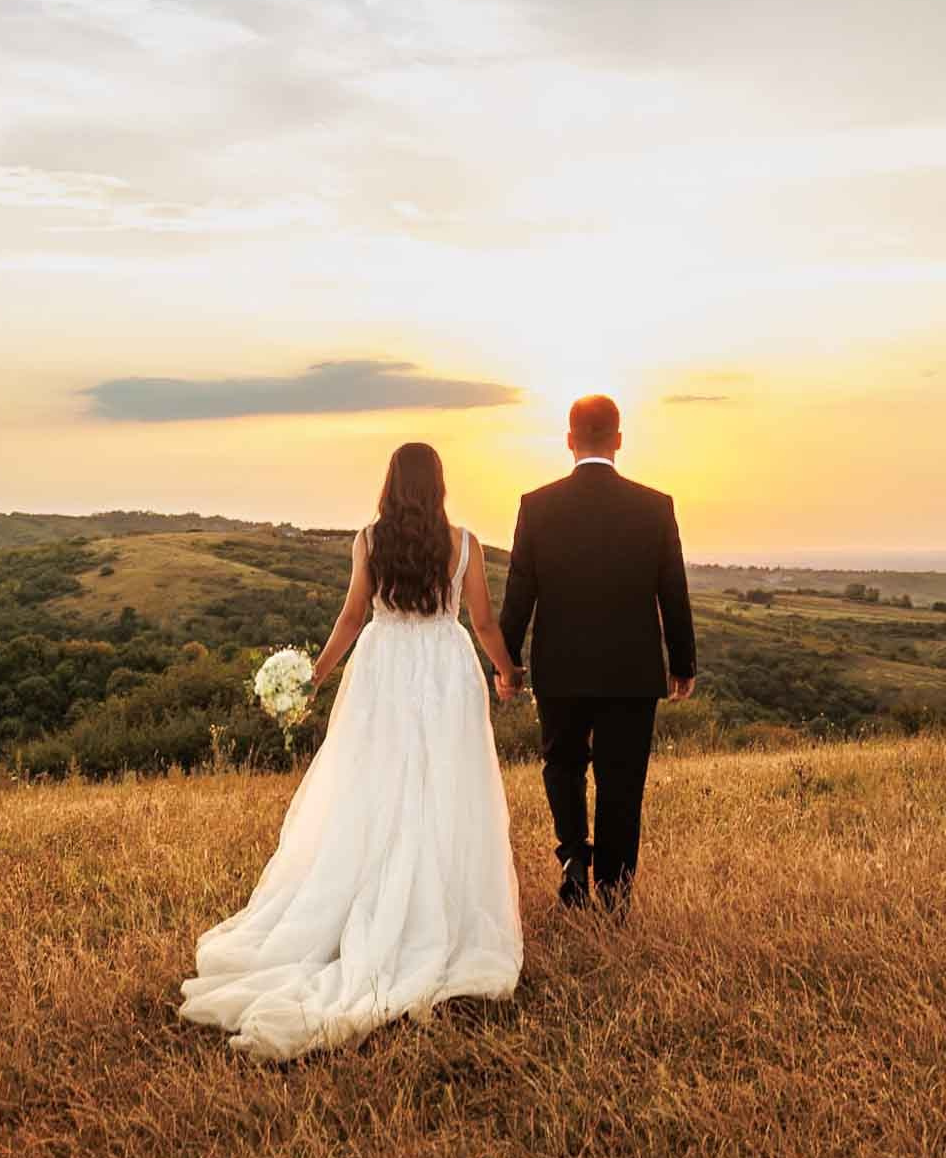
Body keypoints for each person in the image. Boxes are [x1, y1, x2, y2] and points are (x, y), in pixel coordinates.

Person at [178, 442, 522, 1059]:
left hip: (383, 669)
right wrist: (508, 672)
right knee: (444, 786)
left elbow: (351, 616)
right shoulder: (463, 543)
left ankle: (371, 899)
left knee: (374, 783)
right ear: (439, 483)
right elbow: (484, 623)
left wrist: (316, 676)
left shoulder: (368, 540)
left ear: (391, 483)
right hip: (444, 672)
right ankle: (433, 911)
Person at [500, 394, 696, 912]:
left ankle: (572, 859)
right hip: (632, 669)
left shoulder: (536, 506)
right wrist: (683, 663)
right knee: (622, 779)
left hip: (560, 666)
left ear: (569, 441)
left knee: (561, 764)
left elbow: (520, 590)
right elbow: (672, 591)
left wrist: (508, 662)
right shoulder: (655, 506)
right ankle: (613, 893)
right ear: (618, 440)